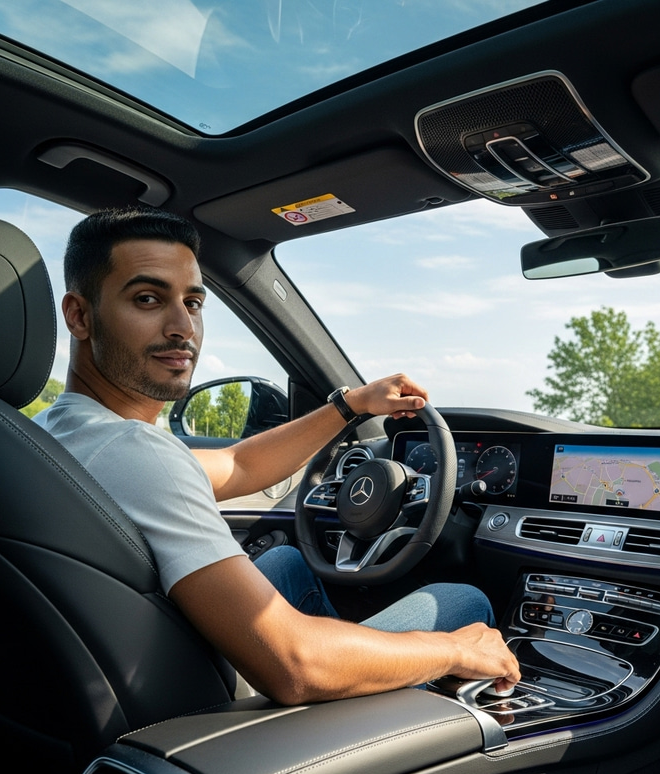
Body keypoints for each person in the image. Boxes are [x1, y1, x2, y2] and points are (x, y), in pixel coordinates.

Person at [35, 206, 520, 705]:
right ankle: (360, 699)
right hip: (216, 713)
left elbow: (241, 466)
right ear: (80, 315)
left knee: (286, 560)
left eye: (194, 303)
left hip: (134, 674)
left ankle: (361, 672)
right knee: (461, 603)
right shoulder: (136, 454)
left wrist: (350, 404)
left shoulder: (52, 433)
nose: (183, 327)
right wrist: (448, 650)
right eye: (147, 299)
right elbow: (294, 666)